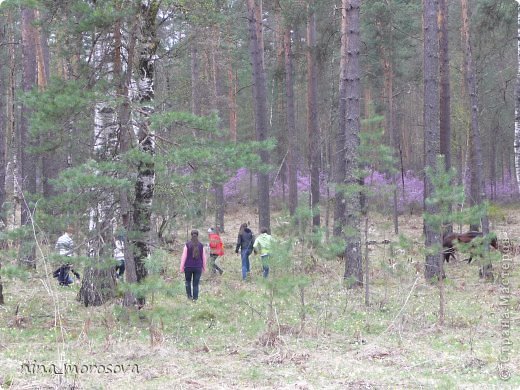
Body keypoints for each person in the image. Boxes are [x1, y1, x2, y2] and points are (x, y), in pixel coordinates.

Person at [180, 229, 207, 301]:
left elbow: (184, 256)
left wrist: (181, 267)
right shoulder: (201, 245)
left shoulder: (187, 245)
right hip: (198, 267)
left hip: (188, 267)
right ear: (197, 235)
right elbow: (204, 257)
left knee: (187, 282)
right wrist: (204, 267)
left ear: (191, 235)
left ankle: (189, 297)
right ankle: (195, 299)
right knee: (196, 284)